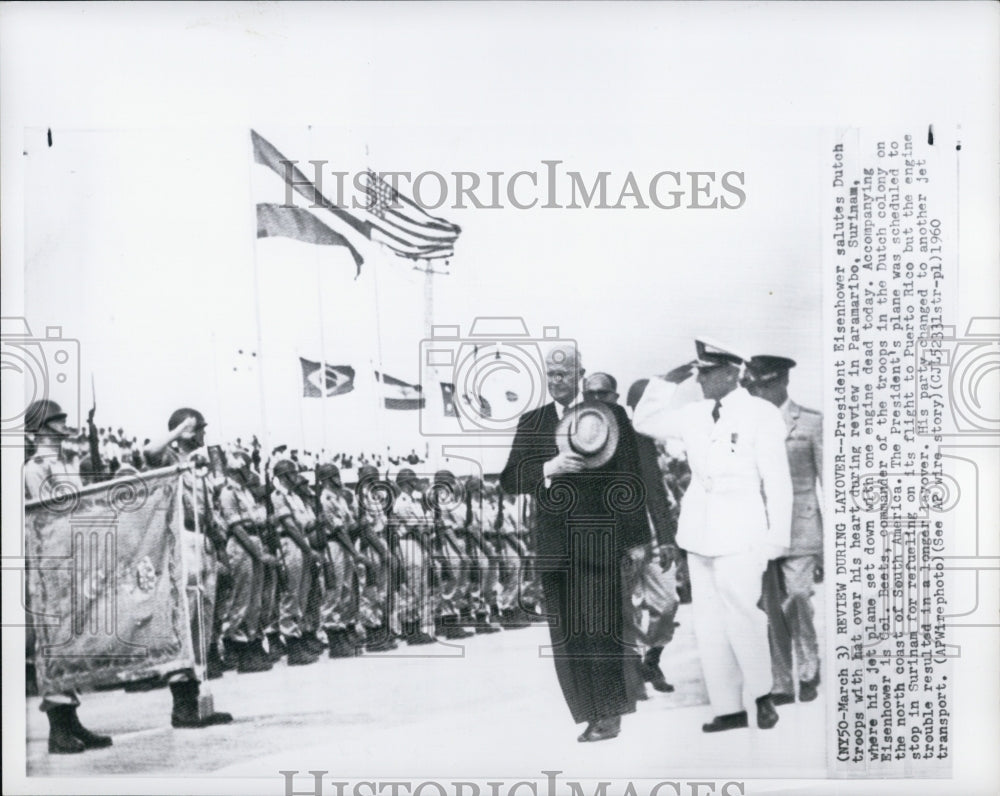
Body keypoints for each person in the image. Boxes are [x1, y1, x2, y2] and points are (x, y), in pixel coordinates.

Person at [633, 339, 792, 733]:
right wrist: (665, 382)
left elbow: (777, 479)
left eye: (706, 371)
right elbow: (644, 422)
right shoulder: (694, 414)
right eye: (698, 371)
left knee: (743, 615)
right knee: (708, 623)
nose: (699, 379)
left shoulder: (760, 413)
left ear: (730, 372)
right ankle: (728, 708)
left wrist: (777, 537)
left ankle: (762, 696)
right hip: (699, 531)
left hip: (743, 529)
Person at [500, 345, 649, 743]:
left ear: (580, 374)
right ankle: (589, 711)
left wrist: (636, 539)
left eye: (564, 374)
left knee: (601, 631)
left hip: (600, 541)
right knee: (568, 638)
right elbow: (509, 479)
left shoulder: (608, 416)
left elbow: (631, 480)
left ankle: (611, 712)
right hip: (554, 546)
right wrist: (548, 468)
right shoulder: (533, 422)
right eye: (550, 375)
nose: (557, 381)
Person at [23, 400, 113, 754]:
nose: (63, 424)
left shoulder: (64, 463)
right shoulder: (35, 468)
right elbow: (50, 511)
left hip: (72, 556)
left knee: (70, 643)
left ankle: (71, 720)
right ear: (42, 428)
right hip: (52, 562)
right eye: (56, 420)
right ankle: (57, 728)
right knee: (53, 645)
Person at [143, 408, 234, 727]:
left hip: (204, 541)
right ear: (185, 432)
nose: (203, 434)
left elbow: (210, 511)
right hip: (182, 542)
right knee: (185, 620)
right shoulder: (170, 459)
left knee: (202, 624)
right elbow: (150, 451)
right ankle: (182, 706)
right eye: (198, 429)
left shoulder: (201, 465)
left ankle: (198, 702)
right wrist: (179, 429)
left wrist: (221, 553)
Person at [745, 355, 823, 705]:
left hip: (801, 527)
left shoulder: (810, 422)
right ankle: (781, 682)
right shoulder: (747, 424)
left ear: (782, 382)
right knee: (768, 606)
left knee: (798, 596)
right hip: (759, 529)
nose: (758, 390)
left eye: (765, 384)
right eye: (754, 384)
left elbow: (829, 480)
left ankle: (808, 668)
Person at [619, 377, 683, 694]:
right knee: (626, 608)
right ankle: (633, 673)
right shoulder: (618, 436)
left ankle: (652, 660)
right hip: (627, 536)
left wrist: (668, 537)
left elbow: (659, 492)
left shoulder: (655, 439)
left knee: (668, 604)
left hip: (657, 536)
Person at [217, 451, 274, 673]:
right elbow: (236, 527)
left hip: (254, 540)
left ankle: (251, 640)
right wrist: (258, 554)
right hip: (242, 546)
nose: (249, 471)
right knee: (241, 598)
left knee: (255, 599)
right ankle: (236, 644)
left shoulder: (246, 492)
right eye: (245, 467)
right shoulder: (228, 493)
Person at [271, 460, 323, 665]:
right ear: (284, 476)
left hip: (301, 543)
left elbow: (304, 524)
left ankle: (299, 636)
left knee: (302, 593)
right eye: (293, 473)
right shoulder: (278, 497)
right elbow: (290, 526)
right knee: (291, 594)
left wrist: (316, 522)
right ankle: (292, 643)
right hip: (290, 544)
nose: (296, 476)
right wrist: (308, 549)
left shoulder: (295, 498)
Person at [316, 463, 367, 656]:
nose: (339, 478)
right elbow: (337, 529)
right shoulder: (326, 498)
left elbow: (349, 525)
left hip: (345, 545)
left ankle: (344, 631)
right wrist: (354, 552)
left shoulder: (340, 497)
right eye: (334, 476)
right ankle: (334, 637)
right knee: (334, 591)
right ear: (327, 479)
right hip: (334, 545)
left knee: (346, 590)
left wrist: (360, 524)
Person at [391, 468, 438, 644]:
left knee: (419, 587)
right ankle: (410, 629)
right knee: (411, 587)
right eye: (414, 480)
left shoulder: (414, 501)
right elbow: (416, 529)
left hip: (418, 545)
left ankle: (416, 627)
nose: (417, 482)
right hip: (409, 543)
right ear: (407, 482)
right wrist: (430, 550)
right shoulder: (402, 503)